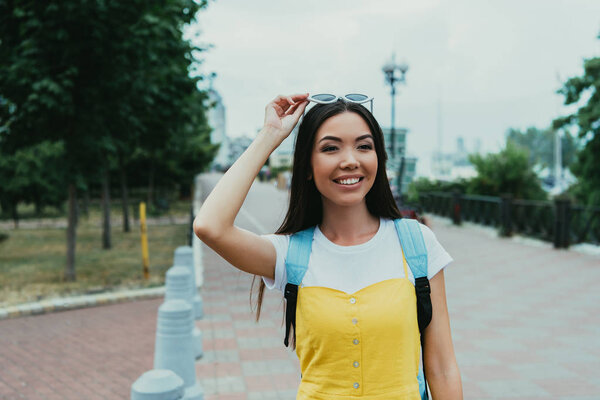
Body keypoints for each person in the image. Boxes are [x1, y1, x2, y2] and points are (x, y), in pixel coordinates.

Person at [194, 93, 463, 399]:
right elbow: (209, 226)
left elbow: (442, 367)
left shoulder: (417, 244)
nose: (350, 160)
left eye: (364, 146)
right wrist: (271, 135)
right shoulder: (289, 253)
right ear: (307, 166)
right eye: (331, 148)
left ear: (379, 159)